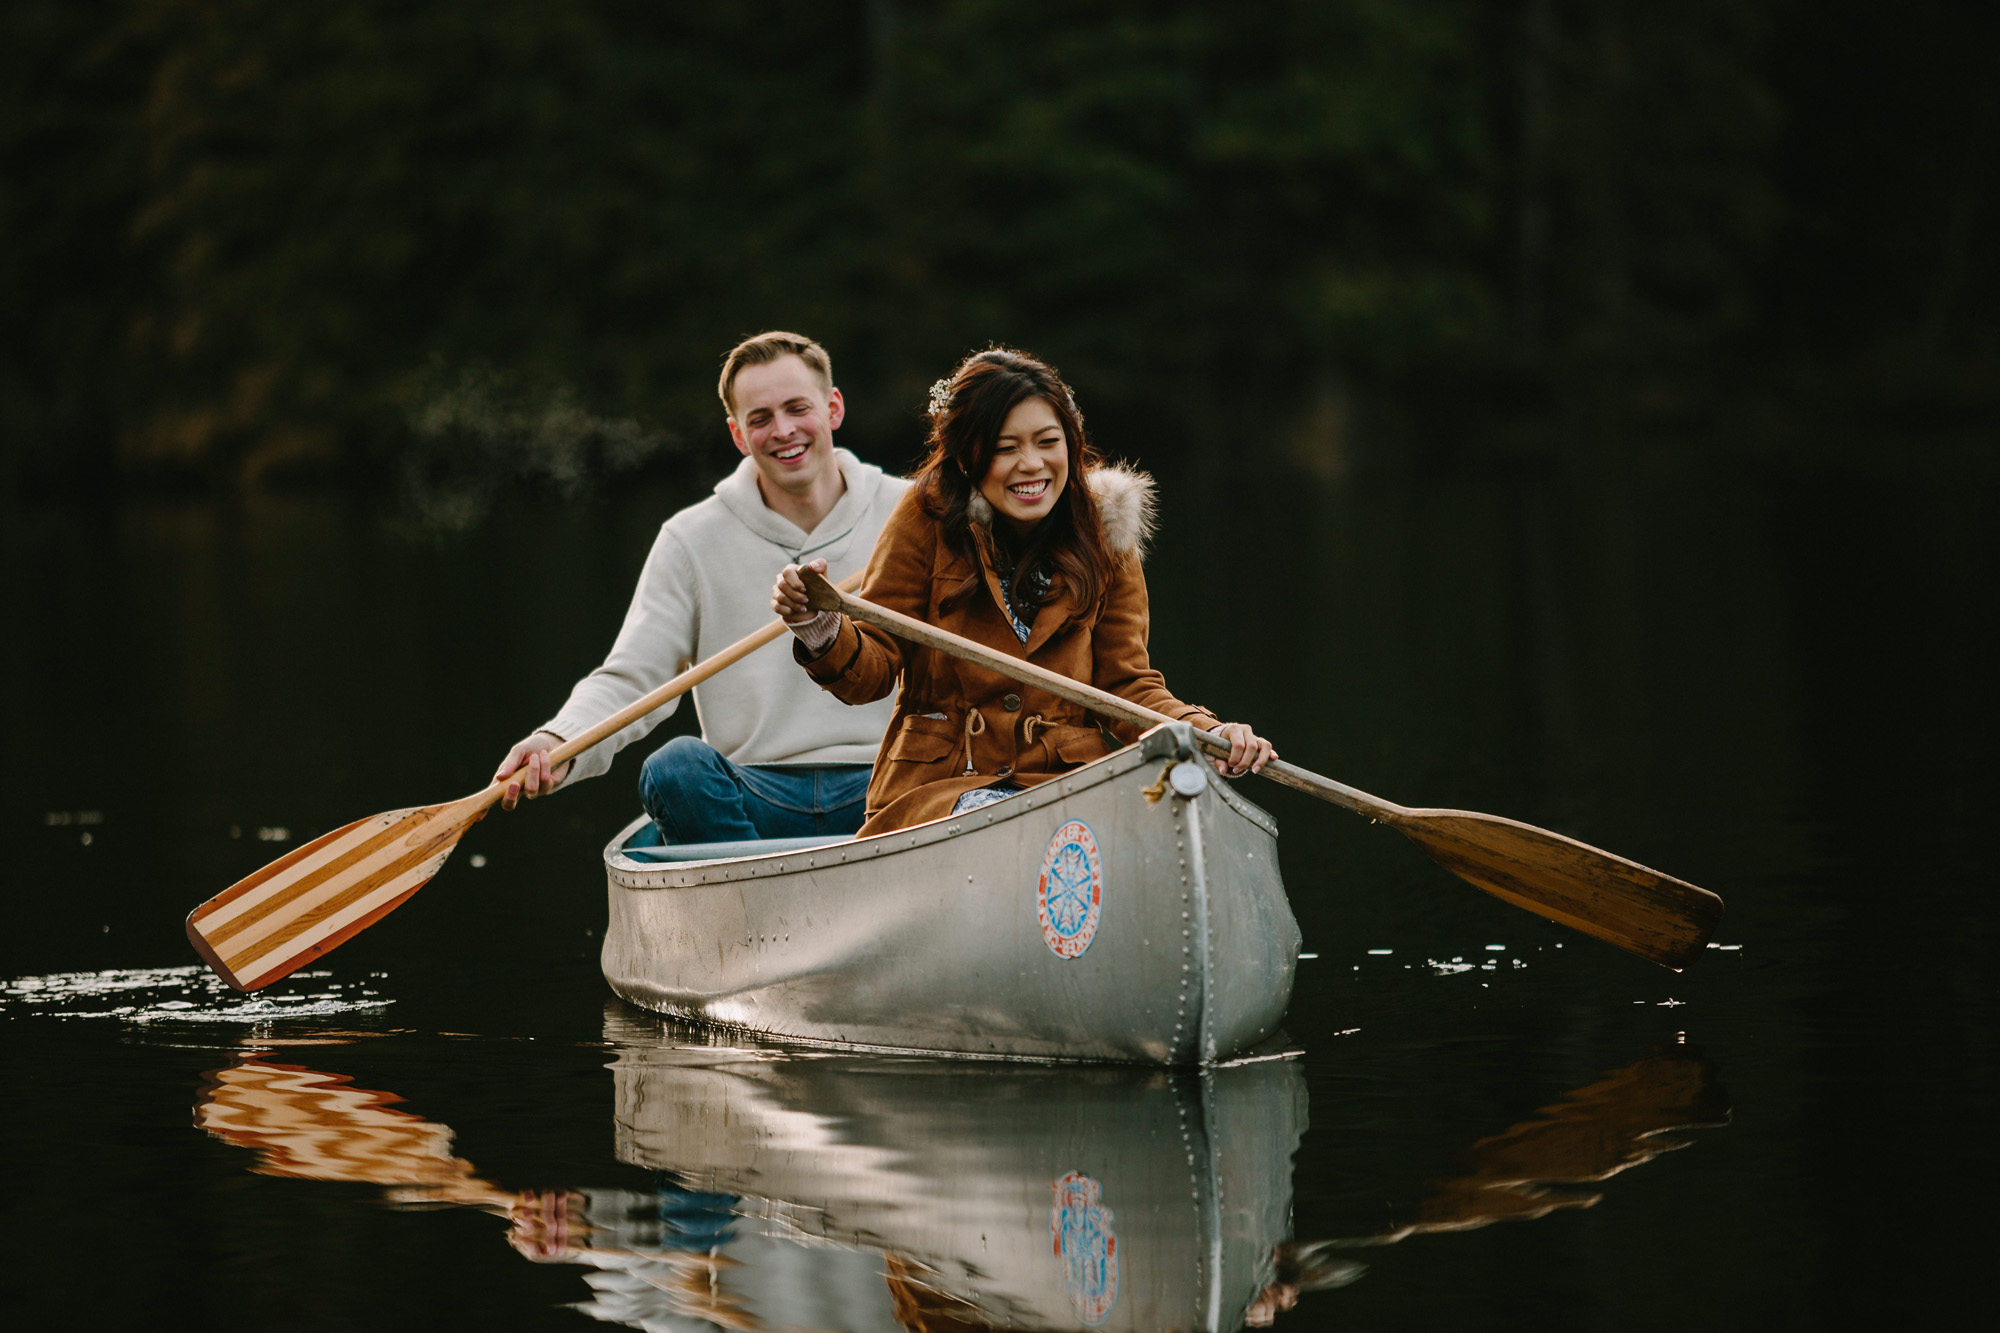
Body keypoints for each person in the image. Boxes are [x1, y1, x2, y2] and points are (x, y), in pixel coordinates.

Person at [771, 347, 1272, 837]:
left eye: (1047, 442)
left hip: (1068, 785)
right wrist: (821, 629)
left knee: (1181, 817)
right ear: (967, 458)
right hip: (941, 789)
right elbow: (872, 671)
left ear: (1071, 446)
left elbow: (1128, 689)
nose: (1031, 464)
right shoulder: (927, 517)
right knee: (1009, 823)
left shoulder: (1106, 534)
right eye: (1005, 448)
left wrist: (1207, 732)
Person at [493, 331, 908, 844]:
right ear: (738, 434)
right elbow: (631, 678)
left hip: (892, 783)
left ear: (833, 408)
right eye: (760, 419)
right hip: (755, 794)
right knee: (676, 766)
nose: (783, 430)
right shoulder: (690, 539)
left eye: (797, 408)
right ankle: (760, 891)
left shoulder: (912, 513)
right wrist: (558, 740)